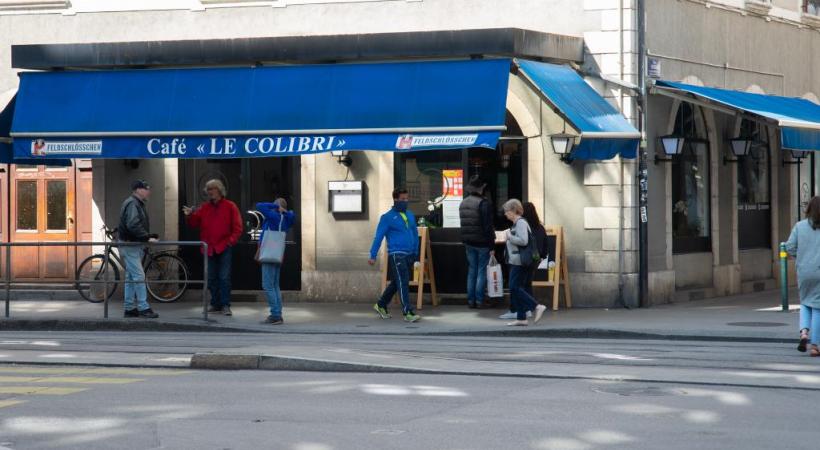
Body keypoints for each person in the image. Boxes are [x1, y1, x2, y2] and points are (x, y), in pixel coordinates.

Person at [183, 179, 243, 316]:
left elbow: (238, 228)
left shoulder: (230, 206)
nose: (210, 192)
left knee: (224, 277)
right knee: (211, 278)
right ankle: (216, 304)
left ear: (220, 191)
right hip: (209, 248)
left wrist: (230, 242)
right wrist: (189, 215)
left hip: (224, 246)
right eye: (208, 190)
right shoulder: (205, 207)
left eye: (213, 189)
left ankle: (225, 305)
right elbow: (193, 223)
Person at [369, 188, 421, 323]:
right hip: (396, 254)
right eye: (403, 199)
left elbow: (415, 234)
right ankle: (407, 312)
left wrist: (416, 252)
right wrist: (373, 254)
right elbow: (378, 237)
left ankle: (381, 305)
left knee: (397, 282)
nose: (405, 201)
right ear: (395, 199)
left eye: (407, 199)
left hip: (409, 254)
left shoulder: (410, 215)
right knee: (403, 281)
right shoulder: (387, 218)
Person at [118, 179, 159, 319]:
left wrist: (146, 236)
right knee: (139, 276)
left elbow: (134, 224)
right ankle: (143, 307)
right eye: (147, 188)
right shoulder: (133, 203)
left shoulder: (135, 203)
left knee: (131, 277)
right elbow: (133, 224)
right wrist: (146, 237)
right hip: (130, 245)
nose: (149, 191)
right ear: (138, 190)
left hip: (131, 244)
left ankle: (129, 308)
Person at [499, 202, 548, 320]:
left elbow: (523, 241)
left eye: (507, 211)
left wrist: (509, 237)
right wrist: (541, 256)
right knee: (525, 285)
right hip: (533, 260)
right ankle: (524, 314)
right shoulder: (540, 227)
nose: (505, 214)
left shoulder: (521, 224)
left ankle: (531, 307)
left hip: (522, 260)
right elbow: (545, 245)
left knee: (516, 286)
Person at [785, 196, 820, 356]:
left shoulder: (799, 226)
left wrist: (800, 258)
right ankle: (815, 345)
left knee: (805, 302)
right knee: (818, 308)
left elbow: (789, 246)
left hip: (804, 271)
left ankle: (804, 332)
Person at [256, 198, 296, 325]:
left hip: (269, 253)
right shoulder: (286, 219)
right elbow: (293, 216)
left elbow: (259, 205)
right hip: (277, 254)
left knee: (268, 285)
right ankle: (278, 313)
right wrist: (285, 211)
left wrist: (273, 205)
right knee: (275, 285)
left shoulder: (273, 216)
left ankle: (275, 314)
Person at [459, 176, 496, 309]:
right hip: (482, 243)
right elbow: (487, 226)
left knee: (472, 270)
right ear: (481, 189)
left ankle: (470, 300)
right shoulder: (483, 203)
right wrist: (492, 245)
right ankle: (479, 300)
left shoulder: (463, 203)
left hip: (469, 242)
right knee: (481, 271)